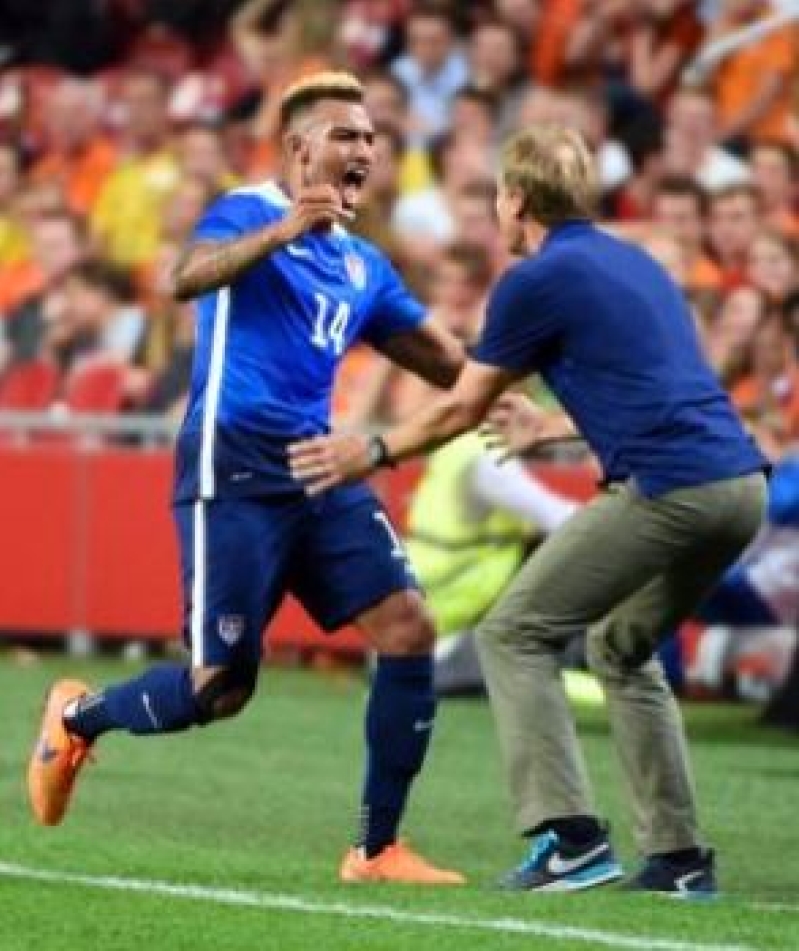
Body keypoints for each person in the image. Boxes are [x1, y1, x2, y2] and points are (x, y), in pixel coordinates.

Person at [289, 124, 769, 897]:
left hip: (670, 486)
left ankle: (570, 838)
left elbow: (461, 405)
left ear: (516, 198)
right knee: (618, 644)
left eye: (498, 199)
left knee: (513, 631)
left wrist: (371, 450)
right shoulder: (635, 263)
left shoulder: (532, 281)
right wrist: (549, 425)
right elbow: (672, 388)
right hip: (737, 486)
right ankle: (679, 860)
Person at [27, 71, 467, 887]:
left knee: (408, 626)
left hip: (317, 465)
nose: (363, 149)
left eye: (370, 139)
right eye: (345, 134)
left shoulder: (363, 264)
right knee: (220, 689)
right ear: (300, 147)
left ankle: (375, 850)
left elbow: (442, 360)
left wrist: (496, 394)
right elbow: (181, 278)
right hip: (230, 462)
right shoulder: (247, 209)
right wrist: (282, 230)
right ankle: (77, 716)